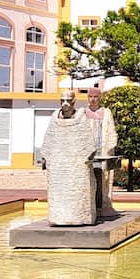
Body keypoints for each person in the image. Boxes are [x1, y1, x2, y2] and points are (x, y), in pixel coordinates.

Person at [40, 87, 97, 225]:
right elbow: (48, 139)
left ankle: (81, 217)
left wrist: (87, 156)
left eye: (68, 100)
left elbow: (89, 142)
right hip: (59, 165)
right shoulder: (54, 119)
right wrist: (46, 156)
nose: (65, 103)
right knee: (59, 192)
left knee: (78, 190)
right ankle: (58, 217)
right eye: (62, 100)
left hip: (77, 164)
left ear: (74, 102)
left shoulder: (81, 119)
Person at [83, 83, 119, 214]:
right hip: (87, 154)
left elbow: (112, 132)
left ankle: (104, 205)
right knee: (87, 179)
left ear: (100, 98)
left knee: (104, 179)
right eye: (90, 96)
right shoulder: (82, 113)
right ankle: (88, 207)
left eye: (95, 97)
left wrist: (110, 147)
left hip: (103, 152)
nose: (92, 99)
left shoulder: (106, 112)